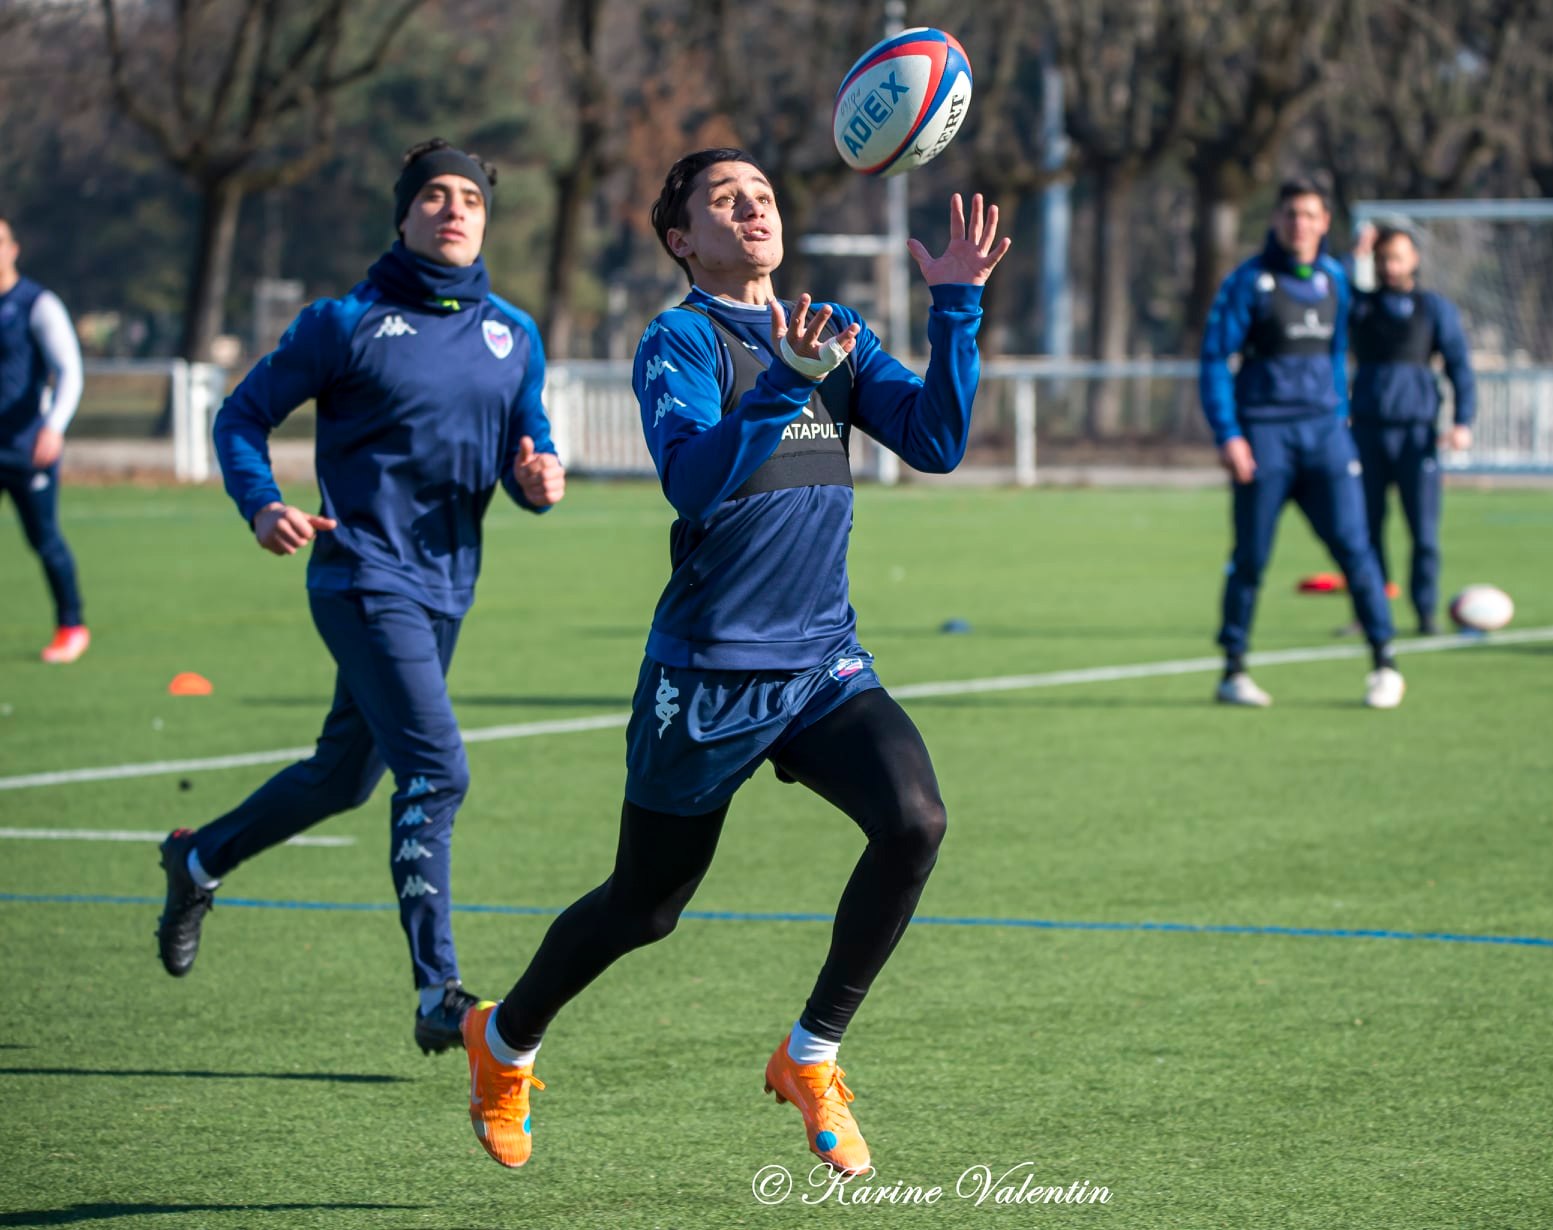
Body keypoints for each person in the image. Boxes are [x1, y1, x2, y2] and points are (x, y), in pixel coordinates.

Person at [459, 148, 1008, 1178]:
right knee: (647, 906)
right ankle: (504, 1041)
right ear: (682, 240)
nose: (754, 205)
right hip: (708, 671)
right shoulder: (680, 337)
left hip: (820, 662)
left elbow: (935, 443)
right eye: (725, 198)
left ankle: (811, 1056)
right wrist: (784, 384)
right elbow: (694, 482)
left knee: (915, 819)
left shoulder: (834, 334)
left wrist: (957, 308)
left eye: (763, 190)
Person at [153, 139, 566, 1056]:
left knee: (344, 777)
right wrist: (261, 504)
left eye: (470, 197)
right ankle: (436, 993)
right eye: (434, 196)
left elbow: (526, 442)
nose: (454, 209)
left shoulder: (514, 336)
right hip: (360, 575)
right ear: (404, 214)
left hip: (447, 587)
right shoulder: (344, 324)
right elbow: (241, 417)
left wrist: (538, 475)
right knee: (438, 770)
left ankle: (199, 857)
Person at [1199, 180, 1404, 709]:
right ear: (1277, 220)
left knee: (1356, 549)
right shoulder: (1249, 281)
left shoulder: (1336, 279)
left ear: (1325, 221)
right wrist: (1230, 435)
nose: (1300, 224)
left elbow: (1340, 354)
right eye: (1291, 214)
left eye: (1310, 215)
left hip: (1325, 437)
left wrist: (1341, 415)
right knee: (1250, 558)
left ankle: (1385, 662)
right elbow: (1216, 360)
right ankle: (1233, 671)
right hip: (1264, 437)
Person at [1349, 224, 1477, 635]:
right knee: (1366, 528)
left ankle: (1425, 612)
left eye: (1397, 257)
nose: (1390, 266)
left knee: (1423, 532)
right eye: (1383, 258)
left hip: (1417, 434)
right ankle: (1370, 611)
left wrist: (1462, 421)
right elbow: (1330, 297)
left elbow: (1459, 365)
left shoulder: (1433, 309)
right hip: (1367, 431)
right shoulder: (1361, 307)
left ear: (1414, 260)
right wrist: (1354, 256)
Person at [0, 215, 88, 664]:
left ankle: (71, 625)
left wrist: (53, 426)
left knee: (44, 538)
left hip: (25, 448)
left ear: (13, 248)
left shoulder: (36, 303)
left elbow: (70, 369)